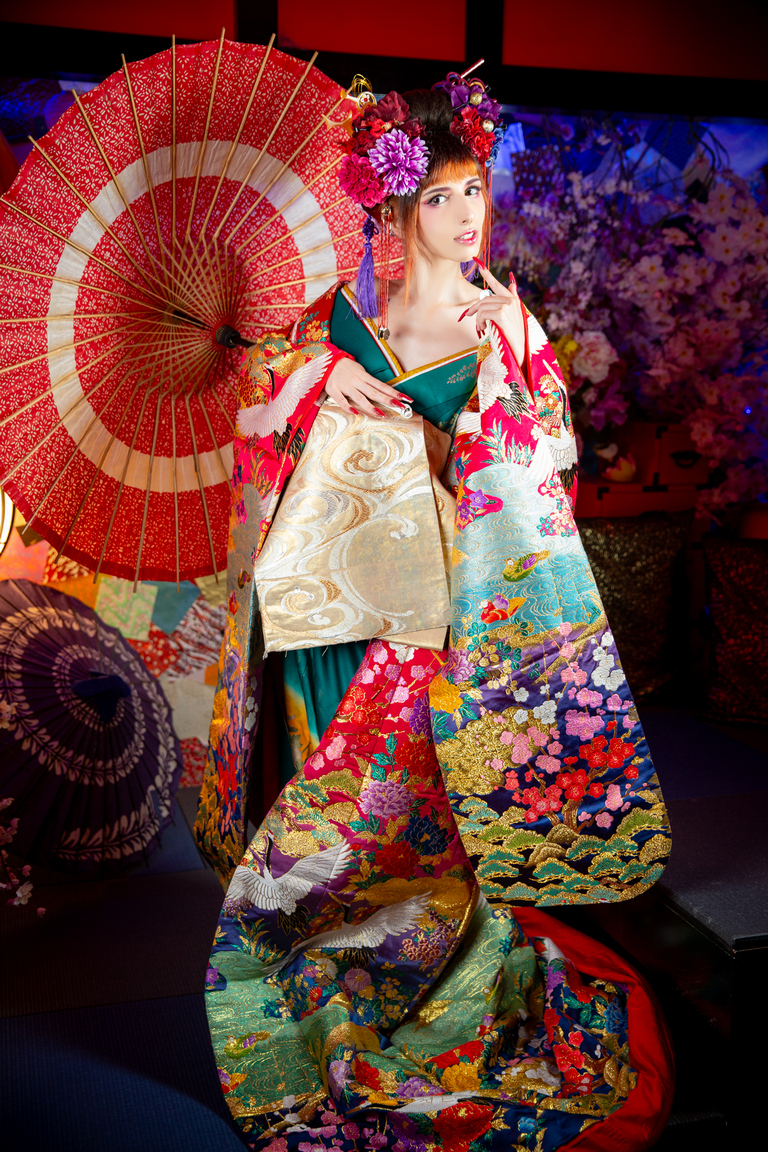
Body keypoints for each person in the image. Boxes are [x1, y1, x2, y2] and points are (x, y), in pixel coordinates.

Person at [195, 73, 673, 1151]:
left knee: (418, 816)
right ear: (394, 210)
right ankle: (318, 965)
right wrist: (318, 386)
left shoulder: (503, 320)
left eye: (477, 196)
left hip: (441, 616)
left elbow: (550, 481)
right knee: (325, 820)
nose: (469, 220)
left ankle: (419, 981)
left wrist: (487, 415)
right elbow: (255, 443)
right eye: (445, 198)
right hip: (333, 608)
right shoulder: (330, 324)